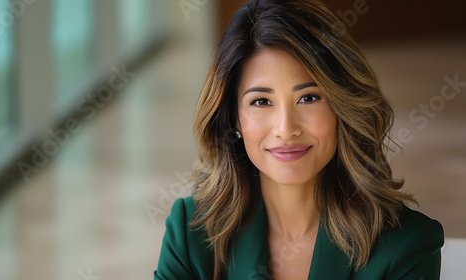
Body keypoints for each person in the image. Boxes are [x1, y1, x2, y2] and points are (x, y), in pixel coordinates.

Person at [154, 0, 444, 279]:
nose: (286, 128)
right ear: (234, 118)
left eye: (308, 98)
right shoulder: (192, 230)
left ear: (343, 108)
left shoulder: (407, 245)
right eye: (261, 101)